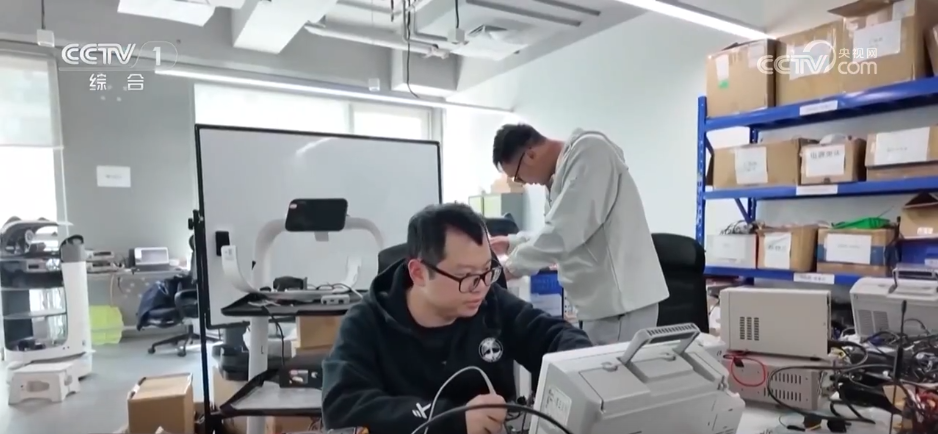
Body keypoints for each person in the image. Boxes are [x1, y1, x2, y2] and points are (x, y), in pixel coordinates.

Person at [321, 203, 592, 434]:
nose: (481, 287)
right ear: (418, 273)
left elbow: (559, 337)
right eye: (465, 276)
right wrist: (454, 420)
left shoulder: (491, 303)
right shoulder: (367, 323)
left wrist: (585, 371)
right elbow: (342, 408)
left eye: (487, 270)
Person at [489, 123, 669, 345]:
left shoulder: (591, 153)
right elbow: (557, 229)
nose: (524, 183)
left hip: (619, 306)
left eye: (518, 177)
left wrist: (509, 268)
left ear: (530, 155)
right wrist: (512, 243)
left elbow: (565, 232)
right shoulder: (559, 176)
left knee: (609, 369)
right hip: (601, 305)